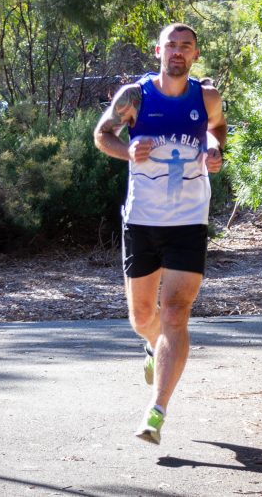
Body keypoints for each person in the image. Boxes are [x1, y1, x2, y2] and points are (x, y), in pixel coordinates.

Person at [93, 23, 227, 445]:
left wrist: (216, 150)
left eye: (185, 46)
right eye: (171, 45)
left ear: (195, 54)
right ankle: (153, 346)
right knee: (142, 320)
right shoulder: (134, 97)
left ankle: (157, 411)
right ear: (158, 51)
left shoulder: (206, 97)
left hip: (189, 219)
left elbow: (218, 128)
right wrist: (127, 150)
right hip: (143, 220)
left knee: (175, 313)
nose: (178, 52)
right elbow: (102, 135)